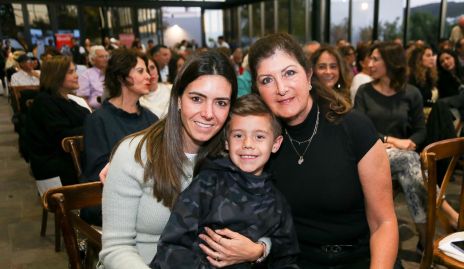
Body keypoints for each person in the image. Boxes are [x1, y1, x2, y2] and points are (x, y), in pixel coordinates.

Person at [99, 50, 270, 269]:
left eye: (220, 103)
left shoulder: (234, 156)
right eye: (197, 99)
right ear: (178, 98)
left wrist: (259, 250)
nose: (208, 113)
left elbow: (270, 222)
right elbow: (116, 247)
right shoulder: (134, 154)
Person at [245, 32, 397, 268]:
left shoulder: (354, 128)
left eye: (289, 73)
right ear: (257, 89)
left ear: (308, 75)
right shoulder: (259, 142)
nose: (281, 88)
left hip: (360, 260)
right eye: (267, 80)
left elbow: (383, 223)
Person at [150, 94, 299, 269]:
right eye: (238, 136)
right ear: (227, 142)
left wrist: (260, 251)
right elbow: (173, 246)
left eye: (259, 137)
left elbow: (287, 257)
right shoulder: (208, 184)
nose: (247, 144)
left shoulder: (277, 202)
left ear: (275, 143)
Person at [355, 42, 429, 251]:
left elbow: (421, 129)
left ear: (391, 62)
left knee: (408, 169)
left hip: (402, 157)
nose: (370, 63)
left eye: (376, 59)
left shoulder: (411, 93)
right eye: (370, 58)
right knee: (410, 162)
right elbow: (359, 127)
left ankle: (426, 240)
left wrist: (410, 142)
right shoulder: (364, 92)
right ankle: (443, 215)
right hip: (369, 153)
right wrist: (391, 140)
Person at [25, 56, 91, 193]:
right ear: (57, 76)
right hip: (56, 167)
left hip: (73, 160)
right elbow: (62, 137)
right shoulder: (44, 102)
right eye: (71, 72)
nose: (76, 76)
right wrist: (96, 126)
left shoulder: (69, 101)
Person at [77, 45, 109, 109]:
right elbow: (82, 99)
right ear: (93, 59)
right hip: (95, 110)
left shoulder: (112, 73)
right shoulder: (86, 75)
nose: (105, 59)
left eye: (106, 56)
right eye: (101, 57)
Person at [407, 45, 438, 109]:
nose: (432, 58)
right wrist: (436, 103)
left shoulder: (428, 75)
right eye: (428, 56)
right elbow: (418, 100)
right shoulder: (412, 76)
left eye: (432, 55)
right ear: (418, 58)